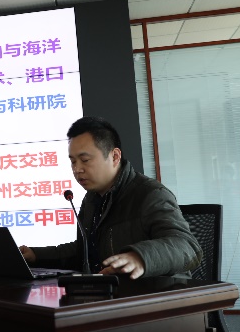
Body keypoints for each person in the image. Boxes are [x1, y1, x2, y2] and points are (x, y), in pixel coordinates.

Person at [20, 116, 202, 279]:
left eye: (85, 160)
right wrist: (35, 255)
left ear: (115, 156)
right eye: (73, 161)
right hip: (111, 293)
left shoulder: (151, 194)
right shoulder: (92, 199)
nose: (77, 169)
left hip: (159, 296)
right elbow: (84, 251)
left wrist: (140, 258)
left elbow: (187, 247)